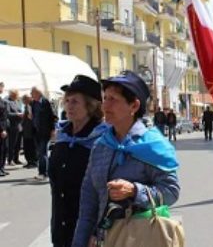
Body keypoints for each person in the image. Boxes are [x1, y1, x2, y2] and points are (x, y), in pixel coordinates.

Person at [72, 71, 180, 247]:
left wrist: (135, 191)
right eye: (105, 98)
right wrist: (82, 241)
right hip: (105, 239)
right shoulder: (101, 145)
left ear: (134, 106)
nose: (105, 105)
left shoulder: (152, 144)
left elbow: (171, 192)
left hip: (141, 238)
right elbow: (88, 201)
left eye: (113, 99)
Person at [48, 75, 108, 247]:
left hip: (88, 231)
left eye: (75, 101)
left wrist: (98, 231)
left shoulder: (102, 138)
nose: (69, 106)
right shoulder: (62, 136)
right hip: (61, 228)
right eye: (67, 101)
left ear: (90, 105)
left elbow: (104, 190)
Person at [31, 86, 57, 180]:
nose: (31, 95)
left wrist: (53, 130)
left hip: (45, 131)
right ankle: (44, 172)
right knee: (40, 153)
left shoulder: (46, 102)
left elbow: (53, 116)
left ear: (38, 93)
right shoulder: (34, 103)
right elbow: (34, 115)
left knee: (43, 152)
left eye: (32, 93)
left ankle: (43, 173)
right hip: (36, 132)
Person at [6, 89, 23, 166]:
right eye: (16, 94)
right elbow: (8, 114)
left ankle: (16, 159)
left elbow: (20, 110)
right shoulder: (7, 102)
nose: (17, 96)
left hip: (18, 126)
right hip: (12, 126)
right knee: (12, 144)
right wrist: (17, 114)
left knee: (18, 144)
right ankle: (10, 159)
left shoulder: (17, 101)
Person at [21, 94, 37, 168]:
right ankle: (29, 161)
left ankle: (33, 162)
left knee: (31, 146)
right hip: (26, 129)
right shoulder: (27, 106)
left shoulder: (32, 105)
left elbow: (32, 116)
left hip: (31, 129)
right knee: (27, 146)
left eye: (24, 99)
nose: (23, 101)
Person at [0, 82, 9, 176]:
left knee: (4, 149)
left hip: (4, 128)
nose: (2, 89)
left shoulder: (1, 99)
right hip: (1, 129)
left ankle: (2, 168)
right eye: (2, 87)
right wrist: (2, 129)